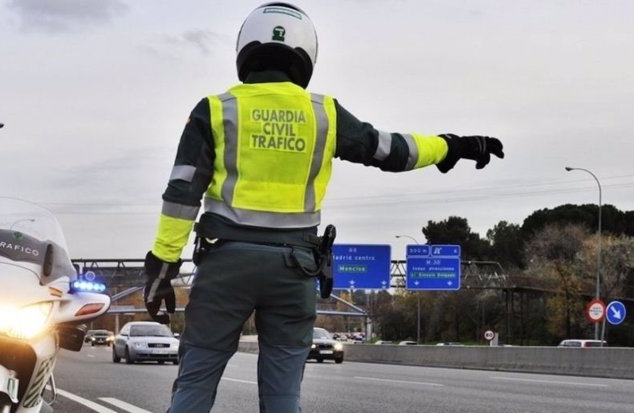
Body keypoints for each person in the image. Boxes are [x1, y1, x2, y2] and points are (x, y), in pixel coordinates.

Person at [143, 2, 504, 412]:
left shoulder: (215, 109)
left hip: (225, 266)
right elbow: (389, 149)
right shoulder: (323, 114)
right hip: (294, 269)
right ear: (306, 55)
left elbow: (182, 192)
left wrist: (163, 263)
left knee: (195, 382)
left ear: (245, 50)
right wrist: (451, 145)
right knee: (283, 395)